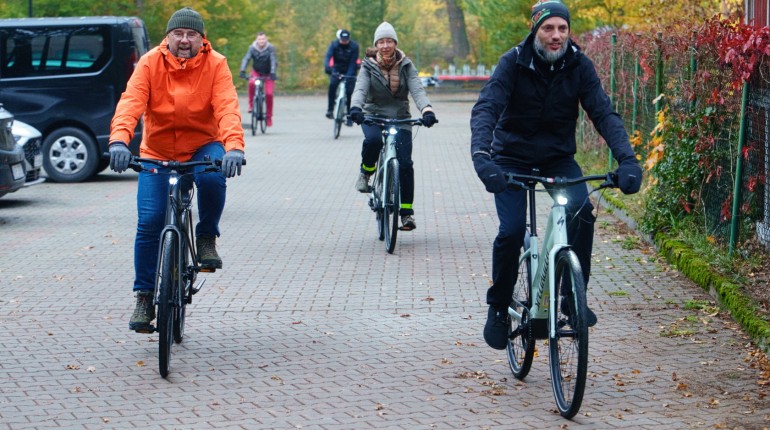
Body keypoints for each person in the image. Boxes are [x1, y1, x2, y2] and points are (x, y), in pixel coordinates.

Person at [469, 0, 642, 350]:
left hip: (557, 159)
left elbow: (603, 113)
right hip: (510, 158)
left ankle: (571, 298)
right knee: (511, 230)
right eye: (548, 28)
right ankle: (498, 307)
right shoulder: (512, 62)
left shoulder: (579, 65)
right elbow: (487, 108)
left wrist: (628, 160)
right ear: (535, 30)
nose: (556, 35)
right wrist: (483, 158)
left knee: (582, 211)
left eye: (562, 28)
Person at [108, 7, 246, 333]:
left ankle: (206, 237)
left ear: (202, 38)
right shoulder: (149, 63)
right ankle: (144, 297)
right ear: (168, 37)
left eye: (191, 35)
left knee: (212, 177)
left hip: (203, 145)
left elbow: (227, 107)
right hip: (157, 153)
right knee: (150, 221)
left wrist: (234, 147)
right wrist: (119, 141)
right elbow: (130, 103)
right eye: (178, 34)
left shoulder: (216, 64)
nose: (184, 40)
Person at [349, 22, 438, 231]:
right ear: (376, 45)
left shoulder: (406, 65)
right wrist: (356, 108)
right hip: (373, 115)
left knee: (405, 164)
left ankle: (406, 214)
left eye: (389, 41)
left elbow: (417, 88)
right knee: (373, 141)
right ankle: (366, 172)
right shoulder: (368, 65)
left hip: (400, 116)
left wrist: (427, 110)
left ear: (395, 43)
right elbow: (360, 88)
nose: (385, 45)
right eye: (381, 42)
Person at [239, 31, 277, 127]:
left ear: (266, 39)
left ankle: (268, 117)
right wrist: (242, 70)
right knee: (251, 83)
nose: (261, 41)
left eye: (263, 39)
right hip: (256, 72)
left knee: (269, 94)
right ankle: (251, 105)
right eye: (260, 39)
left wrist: (273, 72)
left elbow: (273, 60)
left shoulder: (270, 48)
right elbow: (246, 58)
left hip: (268, 73)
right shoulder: (252, 48)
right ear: (257, 40)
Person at [324, 28, 360, 126]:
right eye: (342, 40)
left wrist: (349, 75)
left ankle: (349, 116)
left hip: (350, 71)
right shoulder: (334, 45)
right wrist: (329, 68)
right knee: (332, 86)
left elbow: (353, 62)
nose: (344, 42)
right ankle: (330, 110)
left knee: (350, 93)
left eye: (346, 40)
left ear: (349, 38)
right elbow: (328, 57)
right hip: (337, 70)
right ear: (339, 38)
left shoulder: (354, 46)